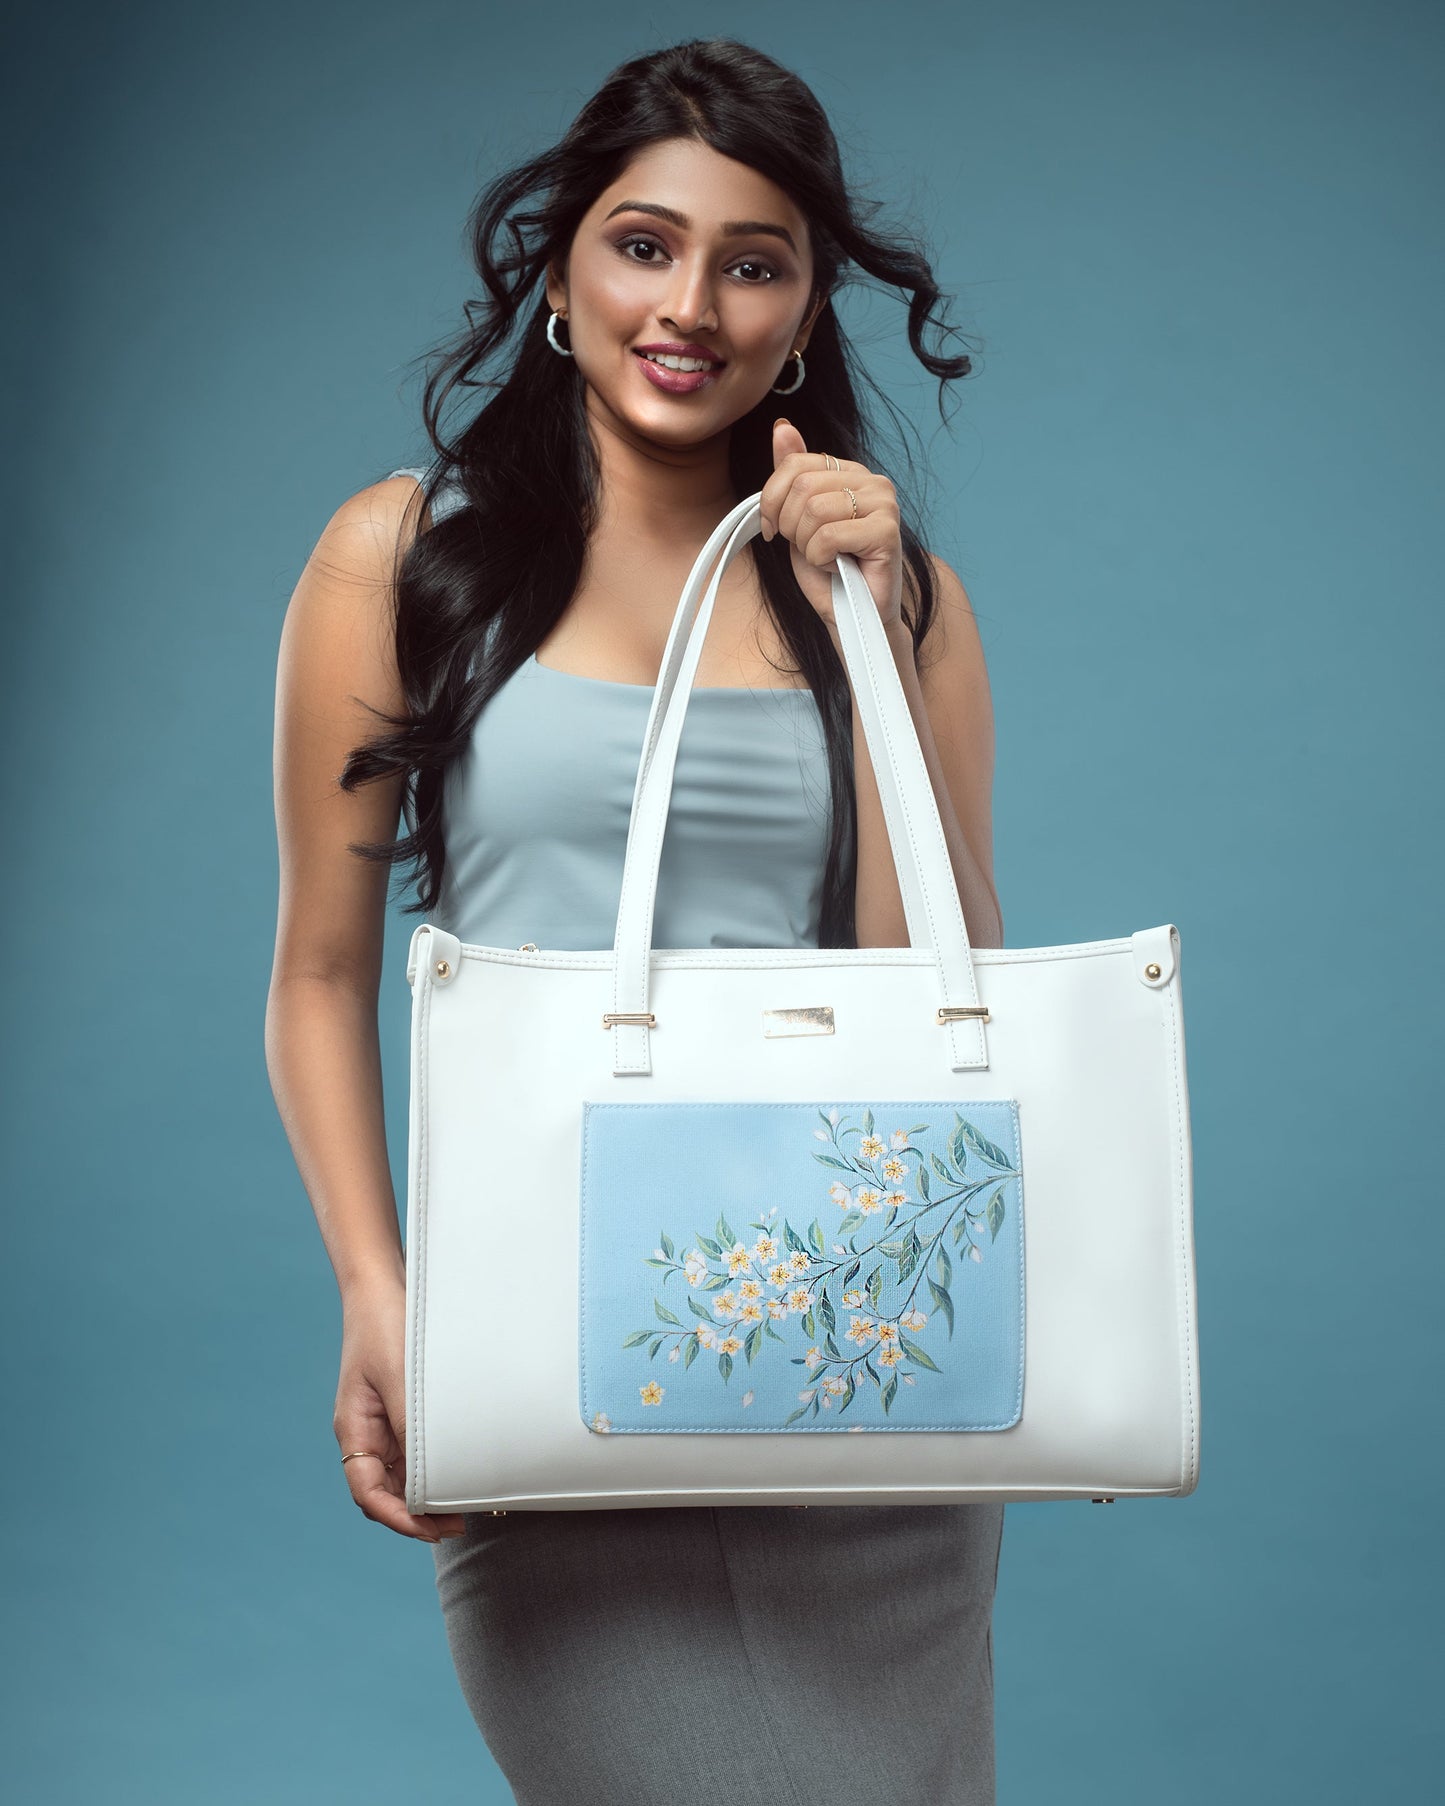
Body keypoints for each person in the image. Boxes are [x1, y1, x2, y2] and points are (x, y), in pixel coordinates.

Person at [267, 36, 1005, 1806]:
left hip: (858, 1399)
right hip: (550, 1370)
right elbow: (314, 972)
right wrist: (378, 1288)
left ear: (808, 305)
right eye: (643, 243)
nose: (690, 304)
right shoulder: (400, 559)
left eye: (751, 262)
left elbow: (946, 997)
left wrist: (870, 613)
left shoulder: (896, 598)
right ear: (562, 268)